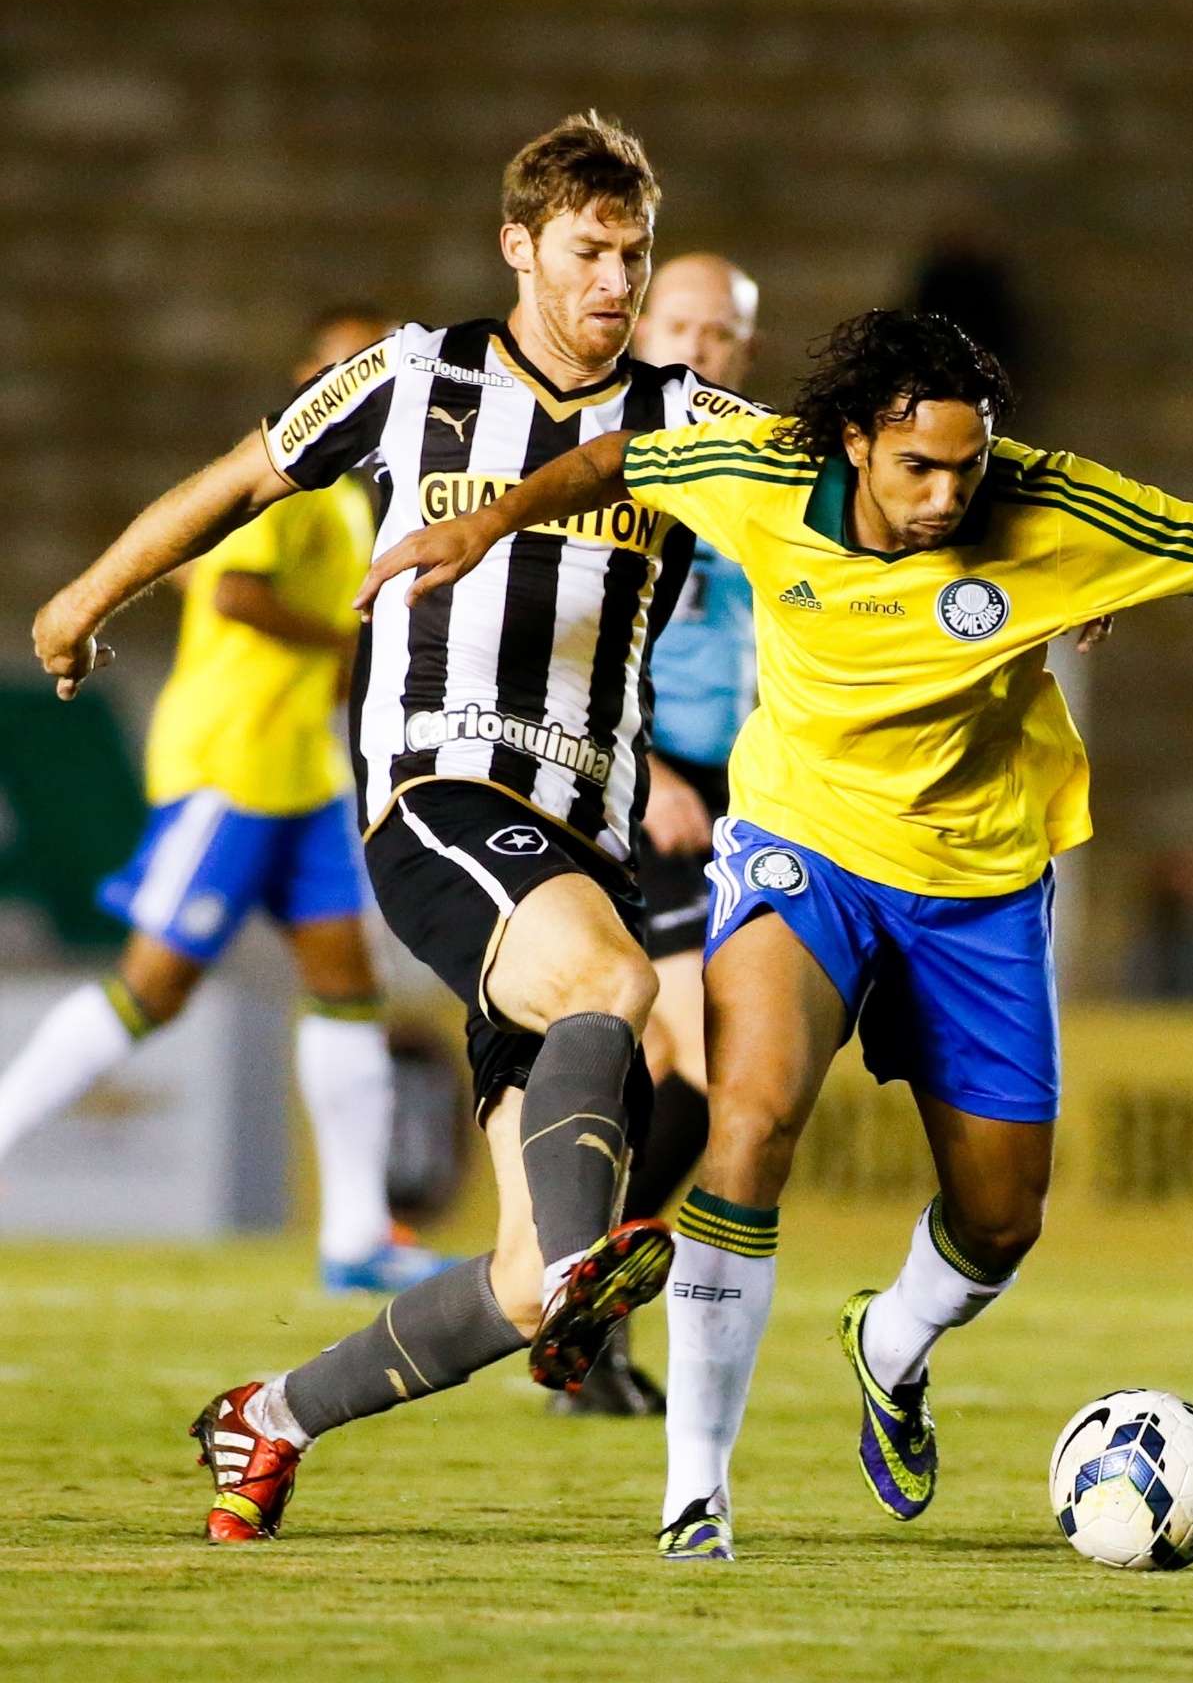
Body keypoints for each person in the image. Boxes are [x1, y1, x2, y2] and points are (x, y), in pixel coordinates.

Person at [354, 306, 1193, 1562]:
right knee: (751, 1117)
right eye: (921, 467)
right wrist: (483, 520)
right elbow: (618, 455)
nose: (952, 491)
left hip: (982, 886)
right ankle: (697, 1498)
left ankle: (890, 1342)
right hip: (803, 853)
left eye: (971, 462)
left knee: (1002, 1218)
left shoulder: (1053, 512)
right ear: (851, 444)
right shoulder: (762, 473)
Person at [31, 112, 764, 1544]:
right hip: (439, 805)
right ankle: (584, 1292)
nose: (616, 282)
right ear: (520, 245)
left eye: (635, 254)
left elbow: (856, 499)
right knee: (618, 988)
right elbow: (234, 483)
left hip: (577, 855)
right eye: (589, 252)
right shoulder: (410, 379)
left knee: (508, 1270)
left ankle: (274, 1415)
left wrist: (1041, 567)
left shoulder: (687, 426)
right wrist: (81, 599)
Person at [0, 305, 453, 1295]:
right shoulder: (290, 488)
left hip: (303, 773)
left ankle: (356, 1238)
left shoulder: (349, 505)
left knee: (348, 989)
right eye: (346, 364)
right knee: (151, 990)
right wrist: (352, 649)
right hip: (235, 767)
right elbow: (235, 594)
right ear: (309, 375)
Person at [558, 253, 761, 1416]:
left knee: (686, 1073)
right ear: (641, 329)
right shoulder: (626, 468)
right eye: (678, 324)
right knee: (706, 1060)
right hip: (658, 794)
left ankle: (576, 1292)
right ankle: (585, 1305)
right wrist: (652, 778)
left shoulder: (745, 468)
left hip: (745, 802)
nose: (699, 347)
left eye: (721, 333)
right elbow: (585, 648)